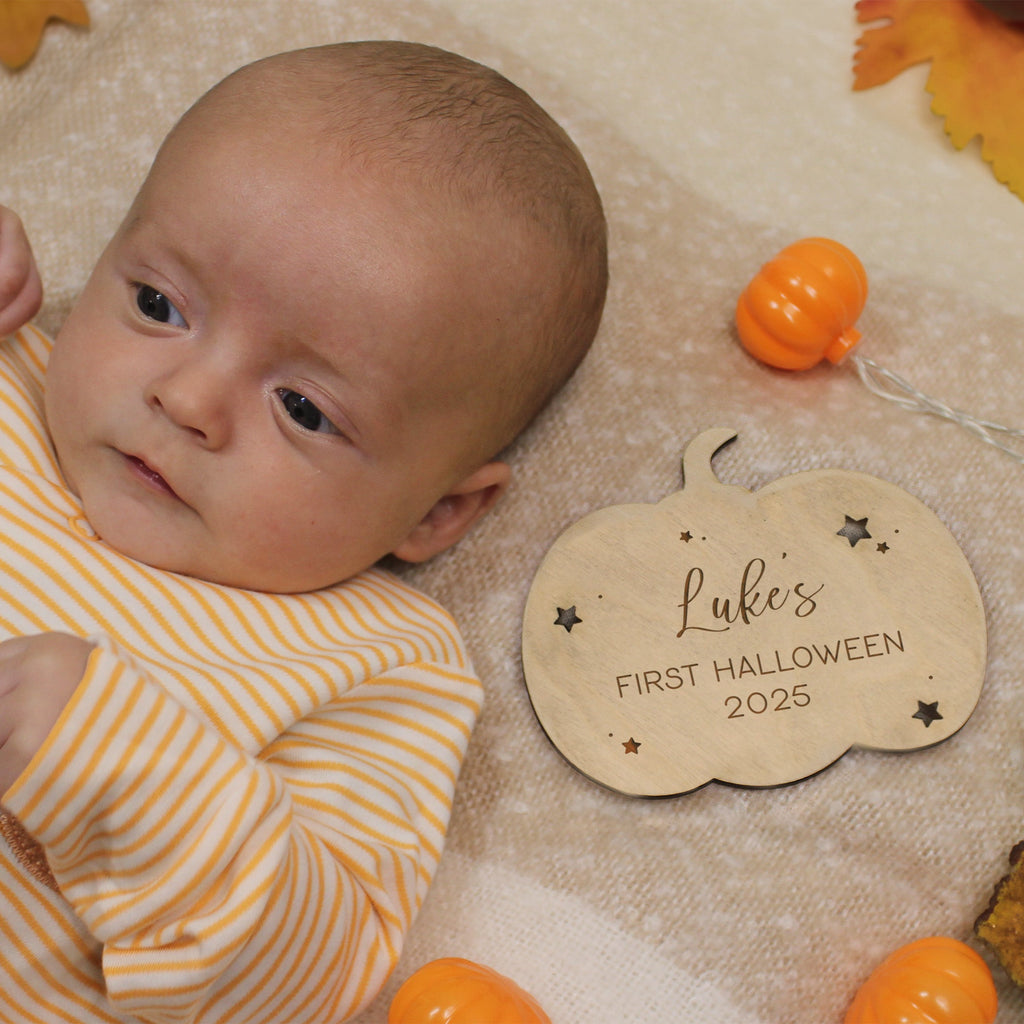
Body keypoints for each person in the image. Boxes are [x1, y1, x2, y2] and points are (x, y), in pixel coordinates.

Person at [0, 40, 607, 1023]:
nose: (189, 398)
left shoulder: (377, 668)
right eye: (157, 305)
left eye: (304, 409)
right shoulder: (15, 369)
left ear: (436, 511)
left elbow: (300, 983)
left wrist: (117, 765)